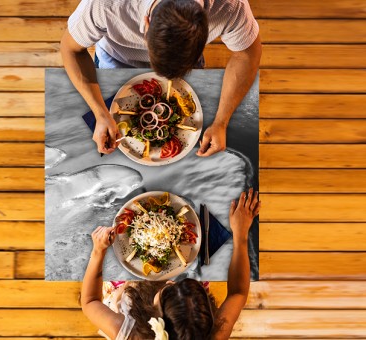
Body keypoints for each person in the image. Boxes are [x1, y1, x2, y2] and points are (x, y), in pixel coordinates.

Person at [61, 0, 262, 156]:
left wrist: (221, 122)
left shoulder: (230, 6)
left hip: (189, 68)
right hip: (116, 60)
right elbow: (70, 49)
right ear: (146, 22)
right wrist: (100, 114)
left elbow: (247, 54)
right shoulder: (104, 5)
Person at [81, 189, 261, 339]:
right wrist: (241, 234)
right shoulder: (213, 335)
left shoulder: (131, 334)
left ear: (156, 319)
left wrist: (98, 251)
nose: (171, 281)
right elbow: (238, 293)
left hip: (130, 296)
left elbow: (90, 302)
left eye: (168, 289)